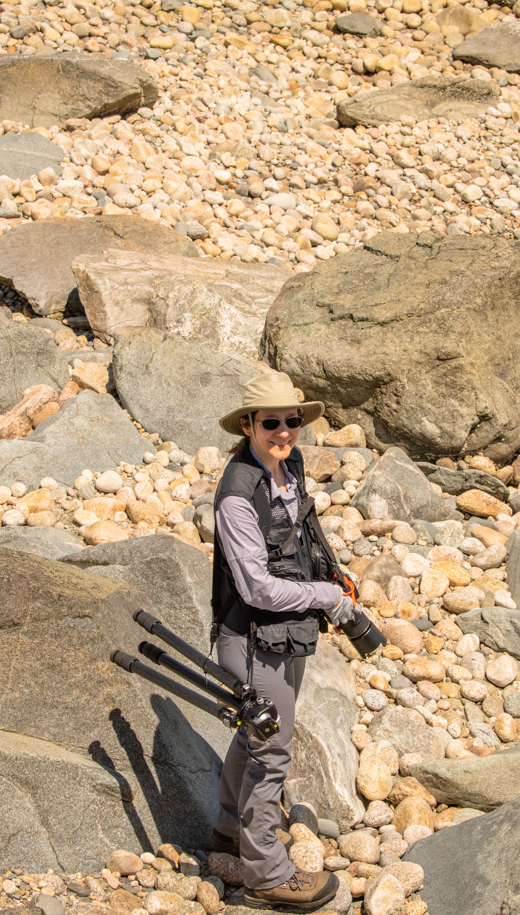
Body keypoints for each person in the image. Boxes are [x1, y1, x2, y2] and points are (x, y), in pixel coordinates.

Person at [206, 371, 358, 912]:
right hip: (249, 641)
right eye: (271, 422)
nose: (285, 431)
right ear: (247, 425)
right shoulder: (236, 495)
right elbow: (256, 588)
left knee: (253, 737)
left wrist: (328, 579)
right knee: (271, 754)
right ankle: (268, 875)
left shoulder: (287, 467)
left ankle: (230, 832)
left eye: (293, 420)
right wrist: (324, 596)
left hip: (283, 635)